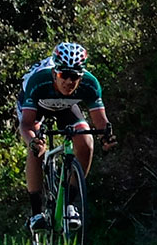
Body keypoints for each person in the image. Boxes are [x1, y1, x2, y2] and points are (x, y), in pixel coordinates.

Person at [17, 42, 117, 232]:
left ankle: (69, 204)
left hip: (65, 106)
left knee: (86, 142)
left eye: (75, 76)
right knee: (37, 148)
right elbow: (26, 124)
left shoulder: (89, 83)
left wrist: (106, 137)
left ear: (82, 75)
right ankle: (36, 212)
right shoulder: (39, 80)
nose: (69, 82)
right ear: (55, 72)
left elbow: (101, 122)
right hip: (36, 105)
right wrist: (32, 141)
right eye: (64, 75)